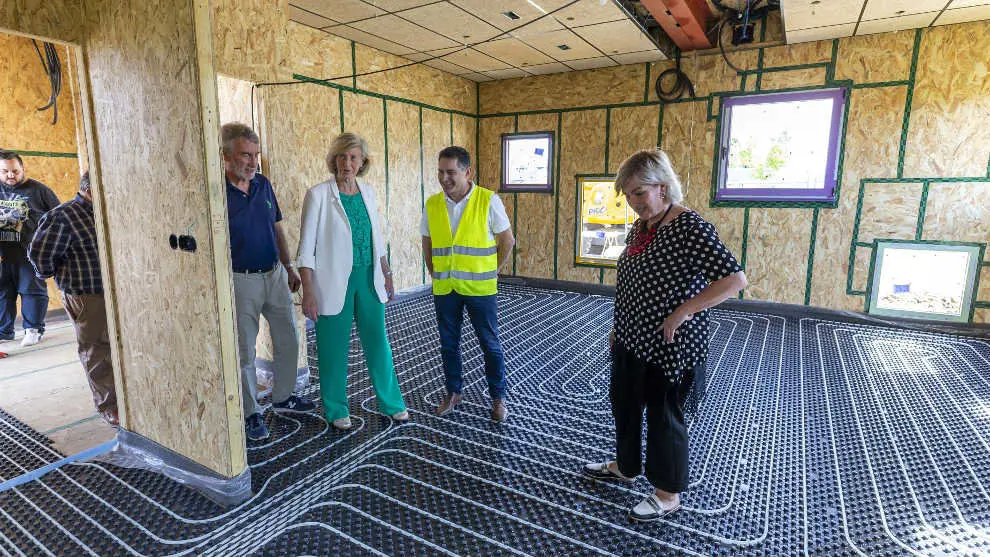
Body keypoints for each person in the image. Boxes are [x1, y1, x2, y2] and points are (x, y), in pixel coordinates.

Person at [582, 149, 747, 522]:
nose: (633, 201)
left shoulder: (690, 226)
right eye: (628, 194)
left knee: (663, 417)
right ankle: (626, 466)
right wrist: (616, 326)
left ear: (662, 187)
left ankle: (668, 494)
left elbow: (734, 280)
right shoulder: (644, 226)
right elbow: (633, 281)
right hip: (630, 335)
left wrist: (684, 310)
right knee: (624, 405)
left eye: (639, 192)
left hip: (670, 343)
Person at [297, 132, 408, 430]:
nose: (347, 163)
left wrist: (387, 273)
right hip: (333, 281)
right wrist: (308, 291)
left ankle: (392, 402)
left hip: (368, 278)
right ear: (334, 160)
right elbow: (305, 249)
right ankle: (335, 409)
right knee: (333, 347)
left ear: (362, 162)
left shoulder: (368, 192)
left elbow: (377, 238)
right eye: (342, 156)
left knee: (378, 342)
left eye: (354, 157)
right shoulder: (318, 195)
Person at [222, 122, 316, 442]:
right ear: (226, 155)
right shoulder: (216, 192)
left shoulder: (263, 184)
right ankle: (251, 413)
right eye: (245, 155)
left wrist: (289, 268)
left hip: (274, 273)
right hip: (241, 279)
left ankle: (283, 396)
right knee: (245, 350)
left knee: (288, 337)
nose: (252, 162)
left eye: (255, 155)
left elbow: (278, 229)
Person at [421, 146, 514, 422]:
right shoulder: (433, 204)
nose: (444, 178)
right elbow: (427, 240)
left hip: (480, 289)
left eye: (451, 172)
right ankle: (453, 392)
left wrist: (494, 269)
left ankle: (498, 398)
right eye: (440, 171)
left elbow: (507, 240)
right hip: (445, 288)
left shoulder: (488, 200)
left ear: (467, 171)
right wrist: (433, 270)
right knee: (448, 344)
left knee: (490, 344)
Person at [28, 172, 119, 425]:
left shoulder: (107, 212)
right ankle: (109, 406)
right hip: (86, 294)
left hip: (116, 292)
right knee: (96, 349)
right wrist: (54, 275)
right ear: (90, 190)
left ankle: (123, 397)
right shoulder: (62, 216)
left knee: (116, 347)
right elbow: (40, 256)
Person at [0, 150, 59, 347]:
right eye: (5, 171)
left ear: (22, 169)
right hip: (2, 254)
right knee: (3, 293)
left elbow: (58, 218)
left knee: (31, 290)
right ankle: (3, 331)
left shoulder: (39, 191)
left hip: (29, 253)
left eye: (15, 171)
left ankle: (33, 329)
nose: (10, 175)